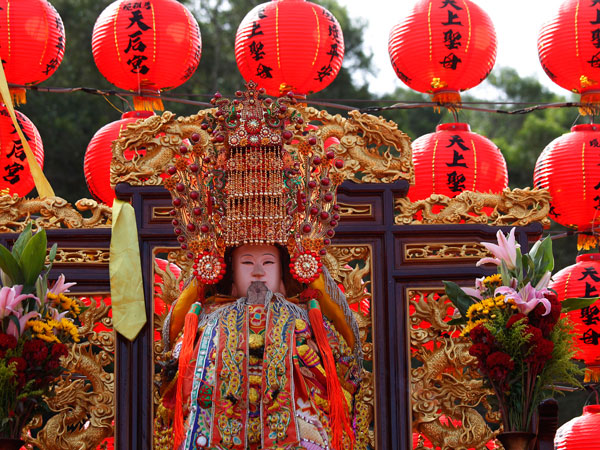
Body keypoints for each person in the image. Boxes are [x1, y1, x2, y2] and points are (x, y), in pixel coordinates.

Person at [155, 82, 362, 450]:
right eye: (246, 262)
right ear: (228, 271)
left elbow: (349, 364)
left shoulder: (305, 317)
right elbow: (171, 370)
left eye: (268, 261)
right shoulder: (208, 319)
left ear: (283, 271)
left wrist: (311, 350)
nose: (257, 271)